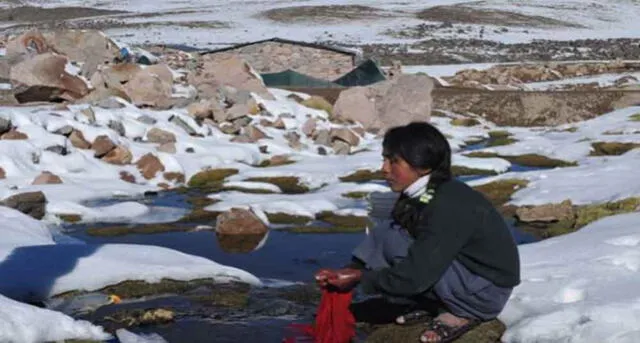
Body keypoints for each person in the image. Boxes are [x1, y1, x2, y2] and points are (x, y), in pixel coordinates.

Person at [315, 122, 520, 343]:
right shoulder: (422, 192)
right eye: (384, 159)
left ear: (422, 165)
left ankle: (462, 313)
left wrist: (361, 279)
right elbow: (388, 238)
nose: (384, 168)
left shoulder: (449, 204)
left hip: (484, 293)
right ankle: (434, 303)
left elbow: (416, 275)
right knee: (391, 233)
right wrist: (351, 269)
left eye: (394, 161)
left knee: (407, 253)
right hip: (466, 276)